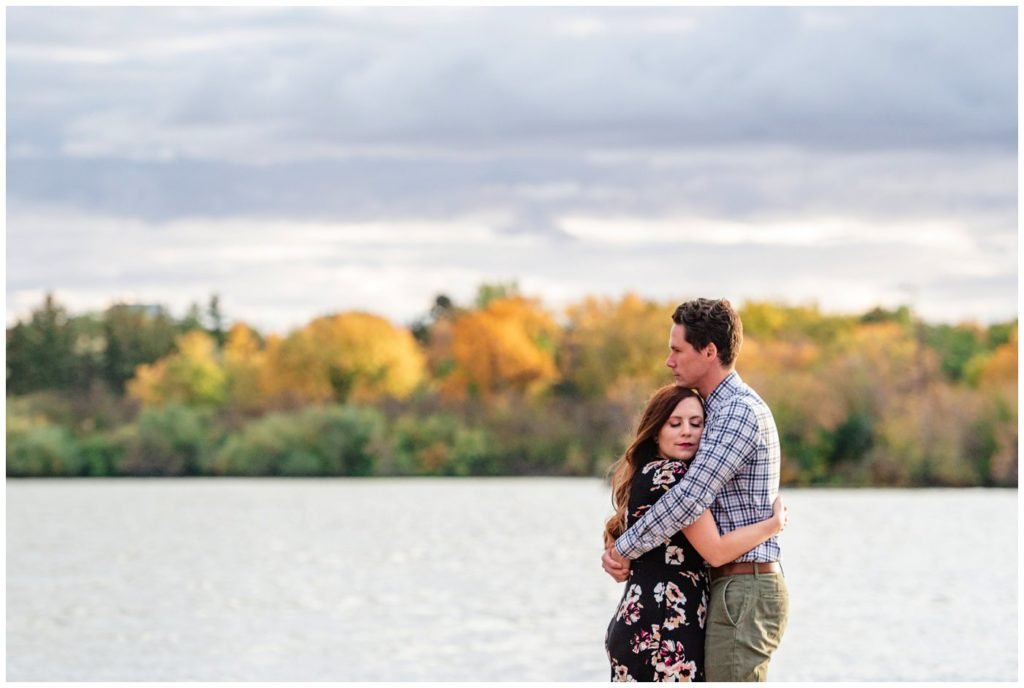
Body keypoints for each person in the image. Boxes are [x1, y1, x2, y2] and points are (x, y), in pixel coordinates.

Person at [602, 298, 789, 682]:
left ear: (709, 352)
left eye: (677, 350)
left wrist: (623, 549)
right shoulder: (714, 411)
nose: (669, 361)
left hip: (744, 583)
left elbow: (688, 499)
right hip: (728, 584)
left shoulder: (736, 412)